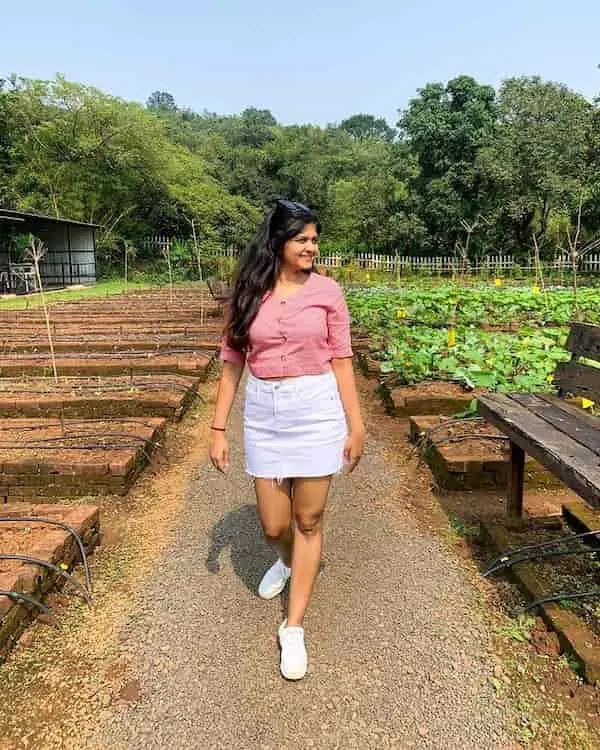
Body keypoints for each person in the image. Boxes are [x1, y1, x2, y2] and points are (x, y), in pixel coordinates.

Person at [209, 199, 365, 680]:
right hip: (265, 414)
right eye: (303, 239)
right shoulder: (249, 292)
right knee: (275, 525)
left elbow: (341, 359)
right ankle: (288, 561)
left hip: (316, 410)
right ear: (277, 242)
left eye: (314, 239)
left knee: (309, 518)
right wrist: (218, 428)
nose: (312, 247)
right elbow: (233, 360)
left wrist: (355, 424)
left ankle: (293, 628)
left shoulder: (328, 292)